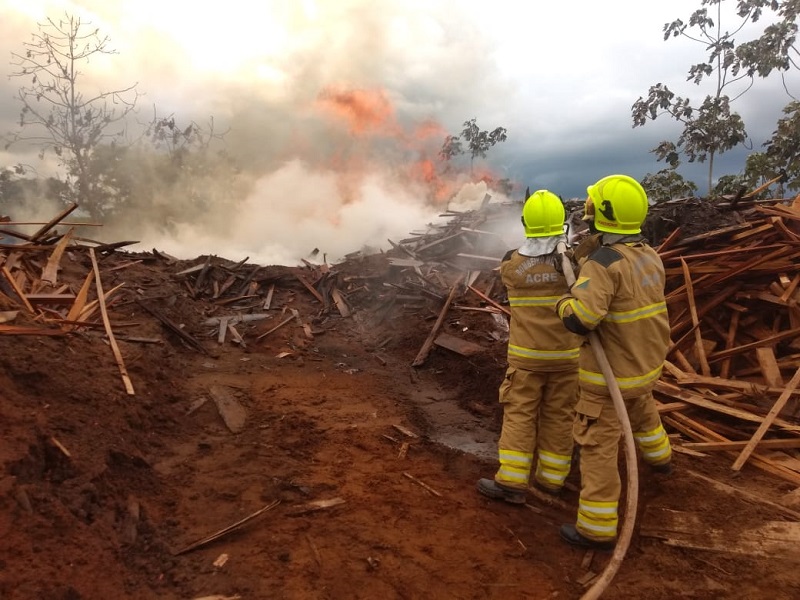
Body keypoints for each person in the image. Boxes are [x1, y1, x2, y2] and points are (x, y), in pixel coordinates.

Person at [555, 174, 673, 550]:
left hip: (609, 381)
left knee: (597, 445)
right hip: (644, 367)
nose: (587, 212)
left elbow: (582, 319)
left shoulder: (602, 265)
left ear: (602, 214)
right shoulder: (649, 255)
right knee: (643, 413)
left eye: (592, 207)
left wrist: (564, 302)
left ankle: (597, 526)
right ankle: (661, 459)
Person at [477, 190, 582, 505]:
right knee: (560, 416)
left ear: (525, 224)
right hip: (568, 359)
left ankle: (512, 480)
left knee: (520, 414)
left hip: (527, 360)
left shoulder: (511, 263)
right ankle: (551, 479)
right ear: (562, 224)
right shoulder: (575, 264)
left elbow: (518, 262)